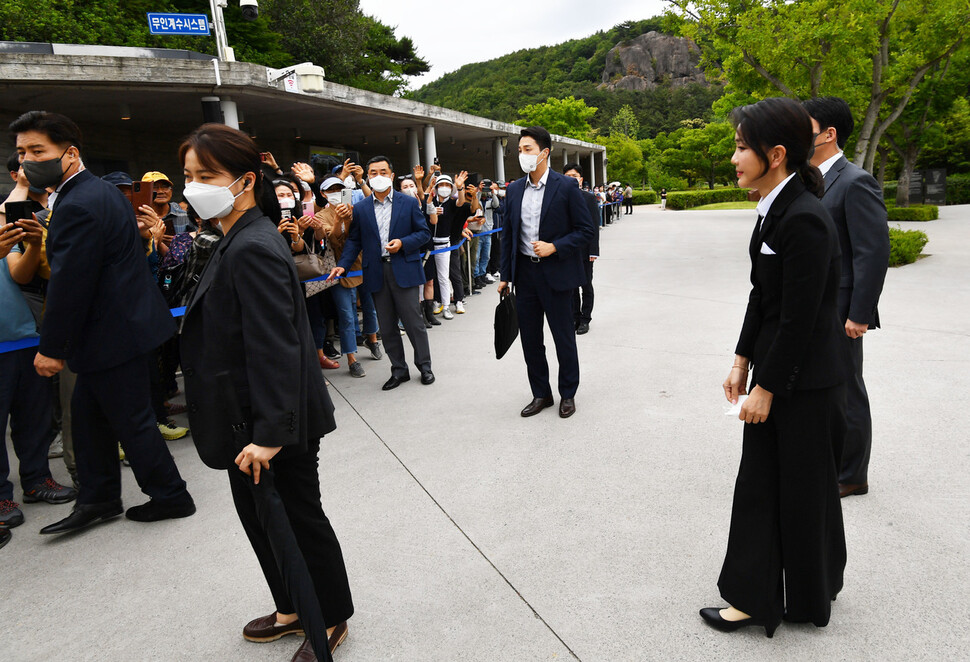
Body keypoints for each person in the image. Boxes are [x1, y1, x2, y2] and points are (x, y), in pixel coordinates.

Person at [179, 124, 353, 662]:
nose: (193, 187)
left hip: (273, 423)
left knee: (299, 517)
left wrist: (273, 436)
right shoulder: (234, 236)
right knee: (261, 519)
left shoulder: (253, 244)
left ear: (246, 180)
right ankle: (291, 606)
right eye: (189, 176)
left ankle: (327, 617)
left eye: (206, 177)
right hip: (244, 419)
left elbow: (279, 347)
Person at [7, 111, 195, 535]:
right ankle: (100, 498)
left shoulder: (79, 203)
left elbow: (72, 284)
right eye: (21, 152)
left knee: (132, 420)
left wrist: (51, 348)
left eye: (38, 150)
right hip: (115, 330)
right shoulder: (99, 191)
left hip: (113, 333)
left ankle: (170, 495)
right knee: (89, 420)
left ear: (70, 153)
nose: (28, 160)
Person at [704, 97, 848, 637]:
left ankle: (770, 597)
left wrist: (765, 387)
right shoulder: (774, 207)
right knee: (782, 486)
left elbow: (800, 319)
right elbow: (762, 297)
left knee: (784, 488)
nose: (734, 156)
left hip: (804, 383)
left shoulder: (804, 218)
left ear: (777, 154)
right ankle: (805, 589)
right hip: (782, 373)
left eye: (742, 147)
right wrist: (741, 360)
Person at [803, 96, 890, 499]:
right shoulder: (808, 179)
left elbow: (872, 253)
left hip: (842, 309)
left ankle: (853, 474)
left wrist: (859, 313)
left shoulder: (856, 181)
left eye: (807, 127)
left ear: (829, 133)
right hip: (814, 304)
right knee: (823, 386)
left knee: (847, 388)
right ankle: (829, 460)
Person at [498, 126, 595, 419]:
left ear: (544, 153)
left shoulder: (565, 187)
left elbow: (585, 230)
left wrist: (555, 247)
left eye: (527, 149)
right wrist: (505, 276)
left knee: (563, 337)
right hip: (525, 275)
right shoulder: (514, 189)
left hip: (557, 274)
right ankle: (541, 393)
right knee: (530, 339)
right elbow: (509, 236)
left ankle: (568, 393)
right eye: (519, 150)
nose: (522, 155)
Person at [327, 155, 434, 391]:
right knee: (386, 326)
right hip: (376, 271)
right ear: (367, 177)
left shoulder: (408, 203)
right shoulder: (362, 208)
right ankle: (399, 370)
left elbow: (424, 234)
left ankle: (424, 367)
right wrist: (343, 264)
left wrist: (403, 243)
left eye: (383, 172)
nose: (378, 176)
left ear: (392, 175)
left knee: (413, 323)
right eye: (373, 173)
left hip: (403, 269)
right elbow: (354, 241)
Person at [1, 217, 77, 532]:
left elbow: (23, 274)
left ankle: (36, 478)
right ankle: (2, 496)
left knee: (34, 415)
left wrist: (32, 243)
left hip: (22, 335)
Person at [317, 175, 383, 378]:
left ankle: (372, 340)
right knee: (346, 315)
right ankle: (351, 359)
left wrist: (352, 217)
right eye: (331, 190)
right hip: (338, 268)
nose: (336, 193)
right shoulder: (321, 216)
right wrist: (339, 219)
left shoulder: (357, 208)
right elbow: (334, 239)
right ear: (323, 194)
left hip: (363, 264)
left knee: (370, 306)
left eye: (340, 189)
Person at [563, 163, 601, 335]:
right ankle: (574, 317)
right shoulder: (559, 197)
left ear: (581, 179)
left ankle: (585, 319)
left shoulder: (589, 198)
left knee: (586, 286)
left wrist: (594, 250)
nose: (571, 179)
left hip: (585, 251)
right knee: (571, 287)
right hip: (567, 250)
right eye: (567, 176)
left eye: (574, 176)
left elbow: (594, 226)